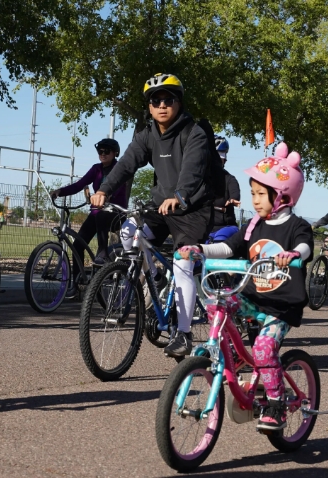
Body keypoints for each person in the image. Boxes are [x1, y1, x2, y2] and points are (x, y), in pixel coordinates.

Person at [176, 143, 313, 431]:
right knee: (217, 303)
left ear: (283, 196)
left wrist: (293, 255)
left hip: (281, 304)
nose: (255, 200)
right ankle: (233, 354)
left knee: (264, 348)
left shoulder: (297, 226)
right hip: (254, 296)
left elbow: (305, 247)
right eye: (253, 194)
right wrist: (199, 249)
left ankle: (276, 404)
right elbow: (229, 247)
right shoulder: (253, 226)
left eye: (261, 194)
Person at [91, 73, 215, 357]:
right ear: (149, 107)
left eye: (168, 99)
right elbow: (126, 164)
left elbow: (193, 170)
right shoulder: (147, 134)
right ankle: (155, 280)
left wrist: (180, 195)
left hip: (192, 210)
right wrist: (105, 189)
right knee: (127, 232)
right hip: (160, 207)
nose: (162, 105)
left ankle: (183, 335)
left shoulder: (193, 132)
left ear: (179, 102)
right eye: (155, 100)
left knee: (184, 263)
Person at [50, 138, 129, 286]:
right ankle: (77, 283)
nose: (102, 154)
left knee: (101, 215)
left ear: (115, 153)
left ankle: (103, 252)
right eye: (100, 151)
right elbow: (79, 185)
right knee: (78, 245)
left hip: (115, 214)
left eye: (106, 151)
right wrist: (60, 191)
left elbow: (118, 188)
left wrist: (107, 195)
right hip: (97, 214)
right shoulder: (96, 169)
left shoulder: (119, 169)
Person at [211, 136, 241, 231]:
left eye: (220, 159)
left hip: (224, 226)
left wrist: (233, 199)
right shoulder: (199, 179)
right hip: (201, 226)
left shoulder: (230, 179)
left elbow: (234, 193)